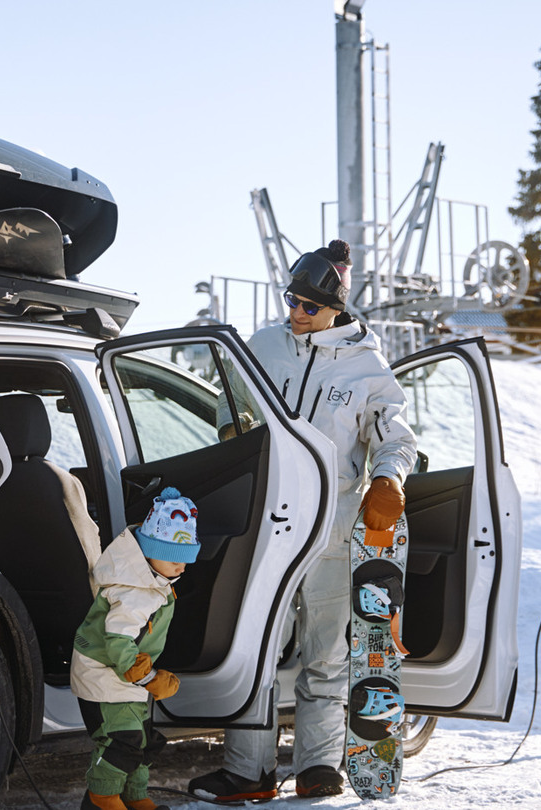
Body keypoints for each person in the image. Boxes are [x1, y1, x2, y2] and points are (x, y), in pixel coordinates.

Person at [189, 240, 418, 801]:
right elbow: (231, 401)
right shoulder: (266, 345)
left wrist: (388, 480)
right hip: (267, 522)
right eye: (291, 300)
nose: (296, 312)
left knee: (326, 654)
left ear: (335, 307)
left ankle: (319, 767)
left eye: (309, 306)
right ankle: (249, 771)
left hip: (334, 527)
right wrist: (231, 436)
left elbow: (395, 435)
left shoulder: (368, 365)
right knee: (257, 647)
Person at [70, 487, 202, 810]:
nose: (180, 567)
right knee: (122, 742)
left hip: (123, 683)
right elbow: (117, 642)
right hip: (103, 677)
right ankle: (102, 797)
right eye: (173, 558)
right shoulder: (133, 590)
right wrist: (149, 677)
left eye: (185, 560)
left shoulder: (152, 580)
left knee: (142, 740)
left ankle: (134, 797)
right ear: (148, 549)